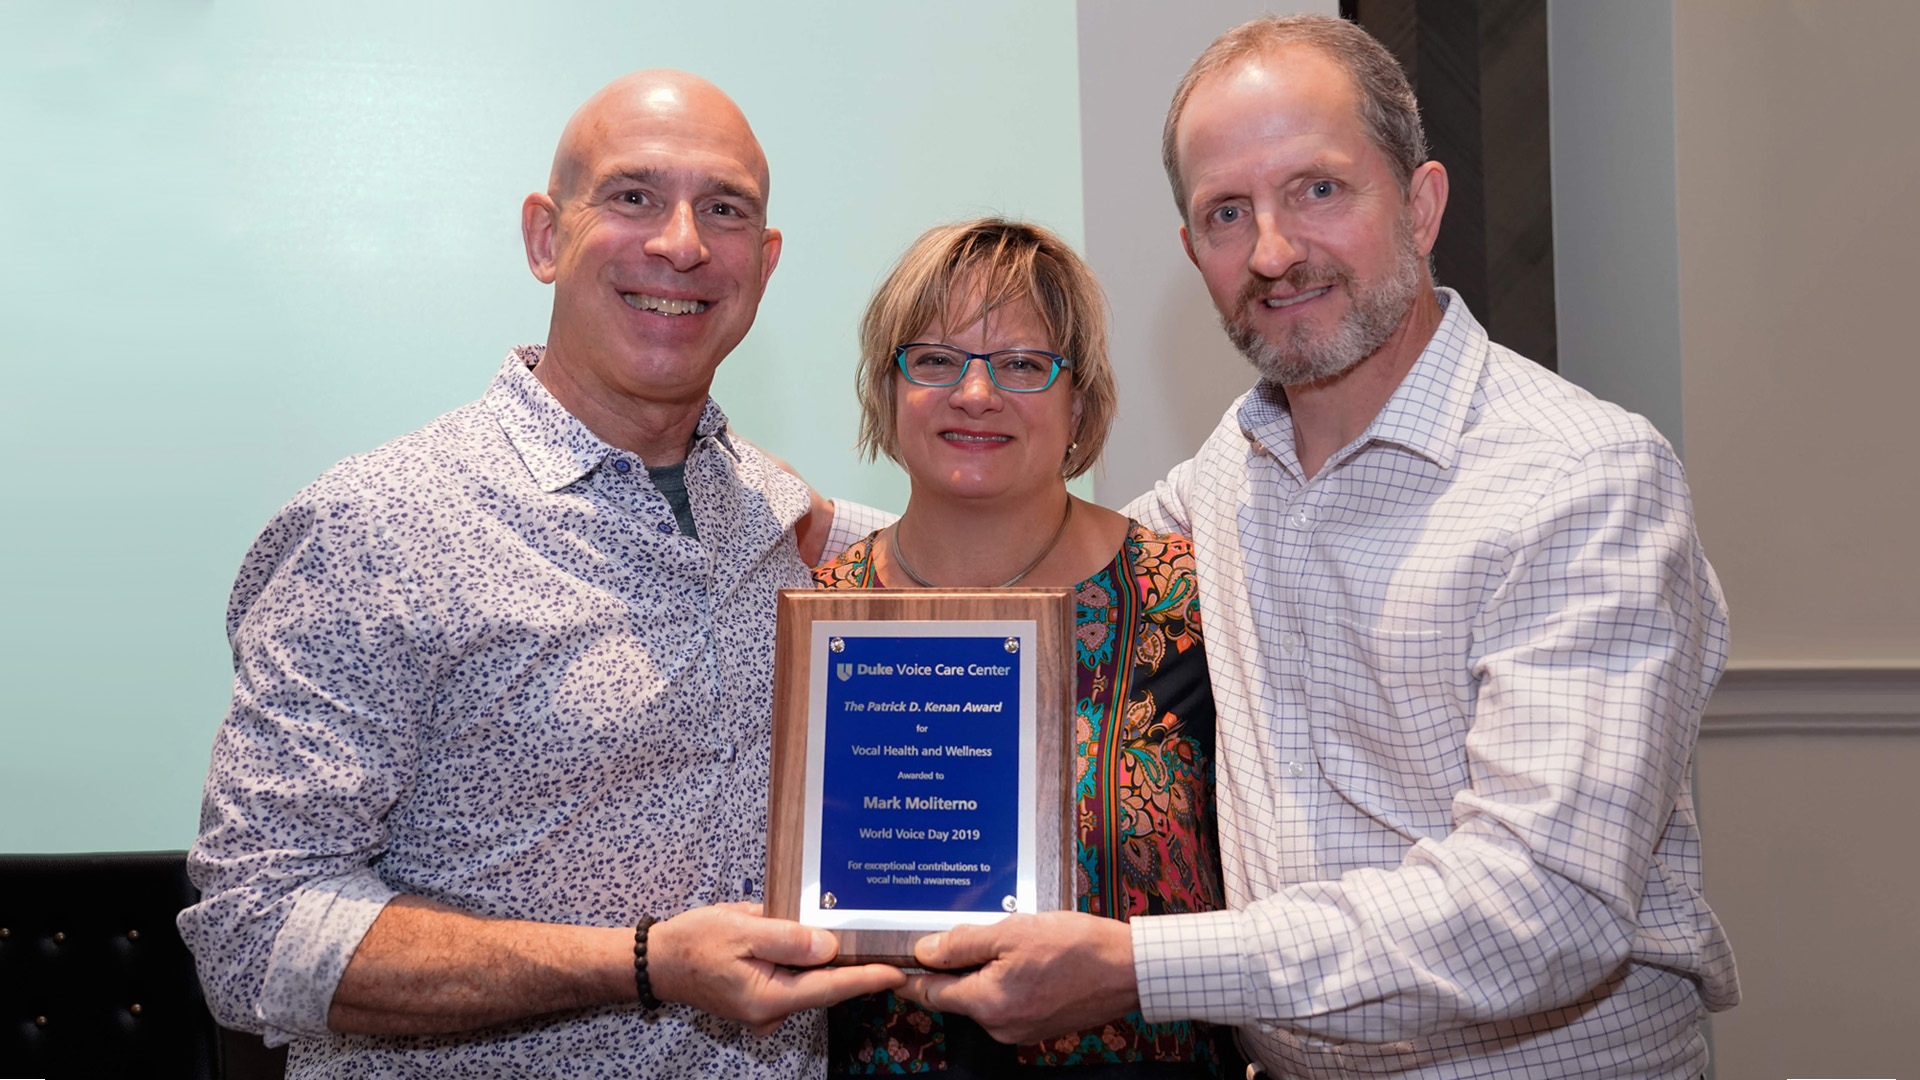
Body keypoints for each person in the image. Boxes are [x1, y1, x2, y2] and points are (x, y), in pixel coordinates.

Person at [892, 16, 1738, 1080]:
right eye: (1227, 213)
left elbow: (1543, 906)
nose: (1274, 252)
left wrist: (1142, 966)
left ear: (1422, 204)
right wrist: (765, 513)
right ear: (1195, 250)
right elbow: (1033, 546)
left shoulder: (1582, 479)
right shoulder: (1231, 473)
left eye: (1318, 190)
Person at [176, 70, 900, 1077]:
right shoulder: (375, 528)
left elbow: (994, 557)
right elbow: (256, 934)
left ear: (763, 262)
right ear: (544, 236)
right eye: (633, 195)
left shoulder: (779, 518)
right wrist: (640, 965)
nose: (681, 242)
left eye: (723, 208)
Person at [816, 219, 1240, 1077]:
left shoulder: (1195, 604)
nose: (976, 394)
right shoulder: (817, 628)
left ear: (1079, 400)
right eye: (933, 360)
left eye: (1022, 365)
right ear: (886, 388)